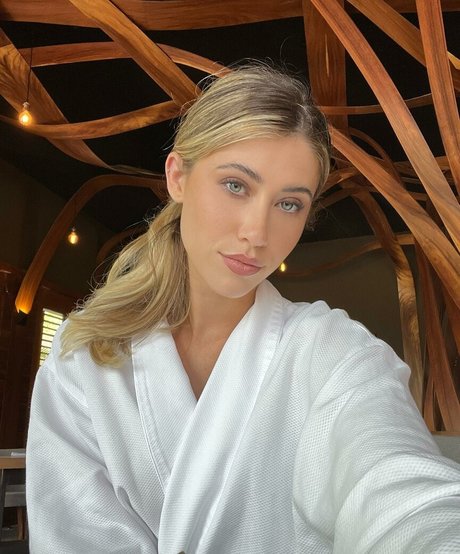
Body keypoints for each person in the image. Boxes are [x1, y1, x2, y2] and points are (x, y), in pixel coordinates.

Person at [26, 65, 460, 553]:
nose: (257, 233)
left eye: (289, 204)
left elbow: (401, 493)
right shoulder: (83, 357)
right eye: (236, 185)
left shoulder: (334, 352)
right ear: (178, 177)